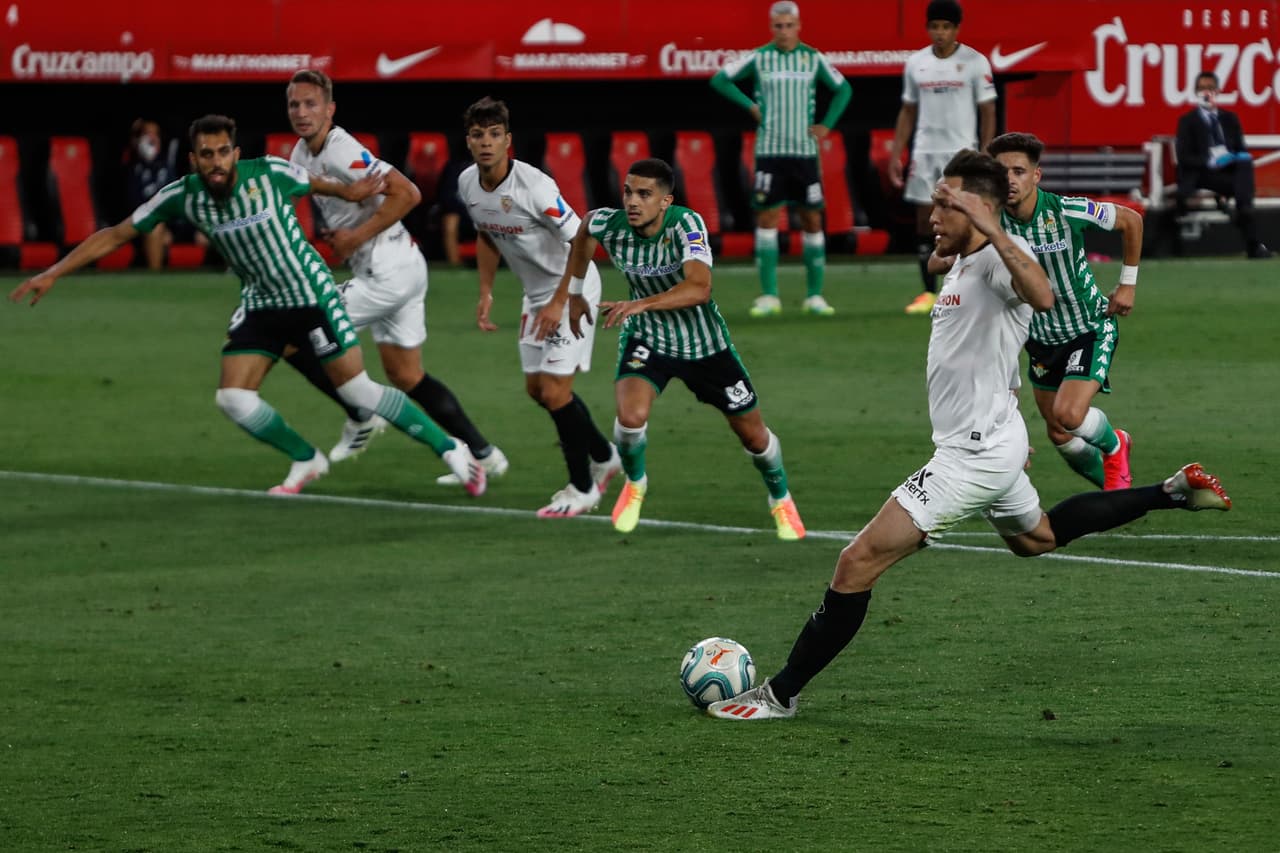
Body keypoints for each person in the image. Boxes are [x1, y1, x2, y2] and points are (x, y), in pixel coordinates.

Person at [705, 150, 1232, 721]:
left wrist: (984, 225)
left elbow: (1042, 293)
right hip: (995, 439)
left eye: (944, 203)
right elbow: (994, 335)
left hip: (971, 455)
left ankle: (779, 695)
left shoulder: (1003, 260)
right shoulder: (964, 259)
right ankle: (1170, 491)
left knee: (855, 563)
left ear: (980, 209)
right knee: (1038, 538)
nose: (932, 214)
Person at [10, 114, 486, 498]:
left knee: (360, 393)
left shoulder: (270, 174)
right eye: (205, 154)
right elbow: (116, 233)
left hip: (312, 296)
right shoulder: (182, 197)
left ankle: (451, 450)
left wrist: (352, 192)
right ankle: (305, 457)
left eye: (222, 152)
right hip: (261, 305)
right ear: (192, 158)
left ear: (235, 153)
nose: (215, 162)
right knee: (233, 398)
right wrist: (55, 271)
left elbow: (315, 182)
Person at [546, 157, 807, 540]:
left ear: (665, 201)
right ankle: (635, 484)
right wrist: (573, 293)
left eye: (645, 194)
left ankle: (780, 497)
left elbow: (700, 287)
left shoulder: (686, 224)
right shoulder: (609, 224)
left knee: (754, 436)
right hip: (648, 339)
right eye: (628, 192)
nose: (633, 202)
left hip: (705, 346)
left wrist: (640, 303)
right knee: (630, 416)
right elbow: (584, 233)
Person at [282, 69, 506, 477]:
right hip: (401, 266)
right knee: (406, 374)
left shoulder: (341, 150)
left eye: (311, 103)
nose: (302, 112)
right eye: (294, 104)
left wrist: (354, 237)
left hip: (386, 273)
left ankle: (361, 414)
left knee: (290, 332)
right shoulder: (299, 156)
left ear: (330, 110)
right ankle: (486, 456)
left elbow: (409, 192)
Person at [455, 97, 621, 517]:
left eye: (495, 135)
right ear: (468, 141)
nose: (486, 143)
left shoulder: (536, 188)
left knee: (554, 390)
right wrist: (486, 291)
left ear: (508, 140)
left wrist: (561, 300)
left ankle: (582, 488)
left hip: (574, 287)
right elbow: (488, 235)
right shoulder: (467, 184)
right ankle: (605, 455)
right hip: (537, 296)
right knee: (538, 391)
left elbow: (583, 240)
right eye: (478, 135)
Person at [976, 132, 1139, 491]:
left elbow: (1130, 220)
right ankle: (1115, 494)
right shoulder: (990, 223)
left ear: (1036, 176)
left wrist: (1127, 283)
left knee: (1069, 415)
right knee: (1058, 431)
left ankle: (1116, 445)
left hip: (1088, 327)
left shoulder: (1067, 210)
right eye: (1002, 172)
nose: (1010, 180)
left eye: (1019, 171)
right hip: (1039, 340)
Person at [710, 0, 852, 318]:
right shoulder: (760, 58)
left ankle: (814, 295)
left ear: (798, 26)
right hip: (769, 153)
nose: (784, 31)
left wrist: (827, 125)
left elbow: (843, 90)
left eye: (789, 25)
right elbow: (720, 79)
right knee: (767, 219)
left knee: (813, 219)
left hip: (804, 153)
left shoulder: (812, 58)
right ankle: (768, 295)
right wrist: (750, 106)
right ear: (771, 27)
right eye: (778, 26)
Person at [889, 0, 996, 315]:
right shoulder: (916, 63)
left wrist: (986, 153)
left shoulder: (975, 62)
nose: (940, 33)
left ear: (956, 29)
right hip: (925, 152)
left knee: (963, 219)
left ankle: (966, 286)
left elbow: (987, 109)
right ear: (928, 28)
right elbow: (908, 110)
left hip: (961, 153)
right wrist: (898, 152)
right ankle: (927, 292)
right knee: (926, 220)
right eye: (935, 26)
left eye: (946, 27)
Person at [1175, 71, 1271, 259]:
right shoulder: (1187, 121)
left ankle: (1244, 209)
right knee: (1243, 187)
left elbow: (1241, 150)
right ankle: (1250, 233)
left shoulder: (1229, 119)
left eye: (1210, 88)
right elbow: (1184, 157)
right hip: (1203, 175)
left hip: (1228, 174)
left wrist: (1229, 157)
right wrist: (1209, 161)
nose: (1206, 93)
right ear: (1196, 92)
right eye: (1202, 88)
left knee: (1244, 164)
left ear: (1217, 91)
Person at [124, 119, 175, 270]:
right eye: (147, 134)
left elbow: (176, 199)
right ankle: (155, 281)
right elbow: (132, 204)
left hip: (171, 225)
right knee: (155, 226)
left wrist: (171, 228)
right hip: (139, 225)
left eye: (156, 134)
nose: (152, 139)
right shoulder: (130, 168)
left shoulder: (166, 166)